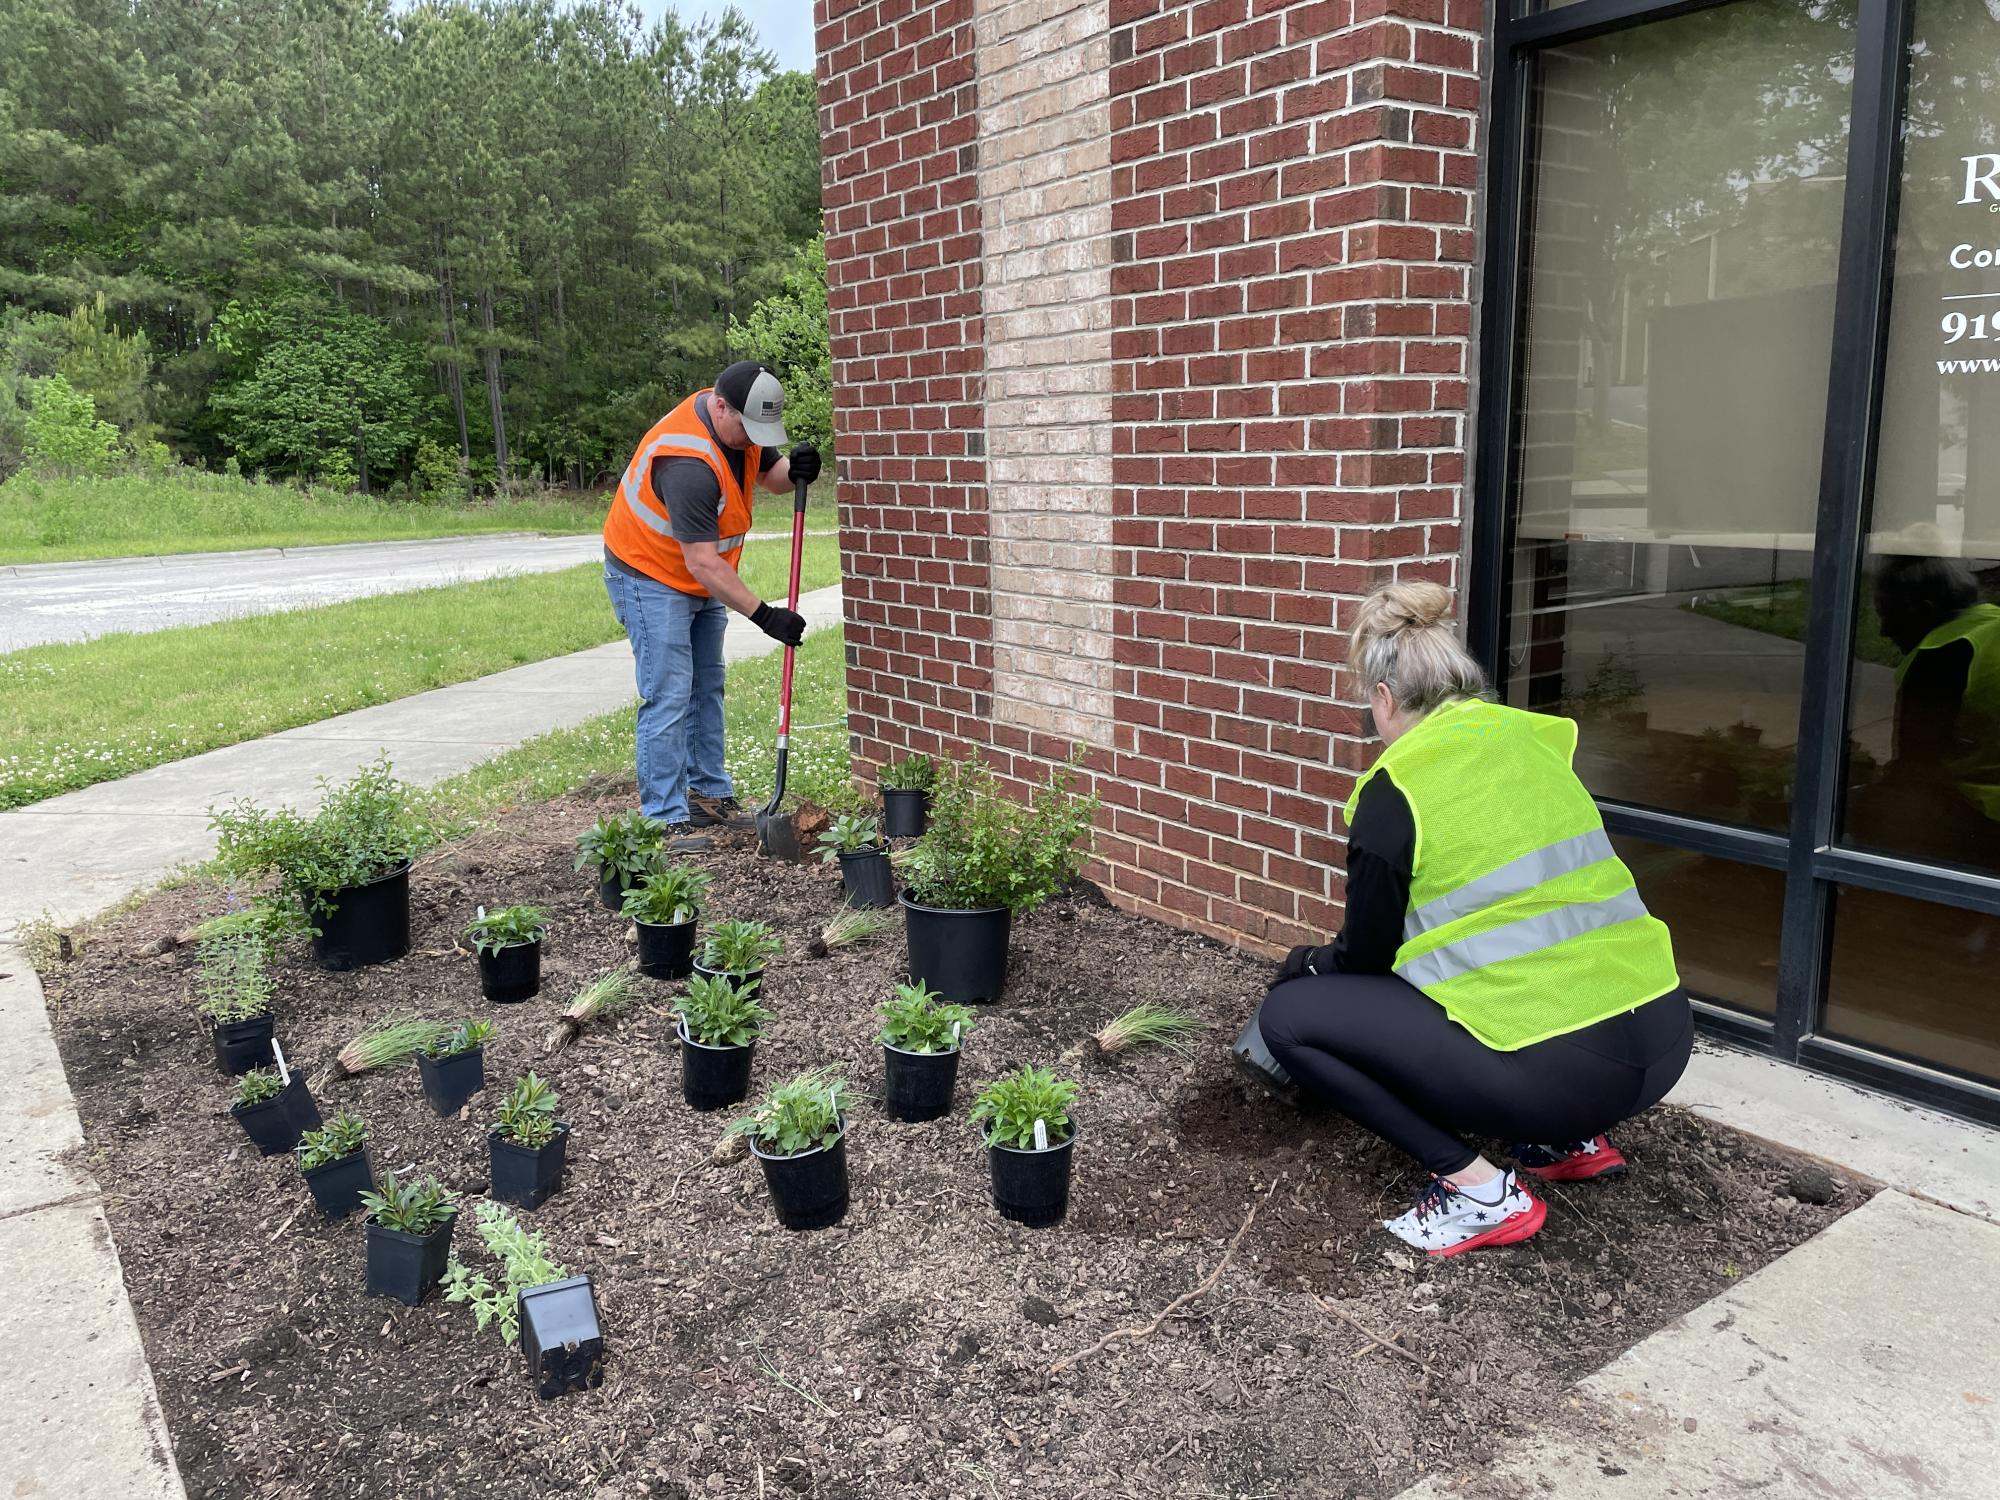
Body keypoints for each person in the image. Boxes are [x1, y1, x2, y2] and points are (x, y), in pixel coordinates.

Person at [1253, 581, 1692, 1258]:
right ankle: (1568, 1144)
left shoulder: (1398, 789)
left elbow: (1367, 959)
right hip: (1663, 1042)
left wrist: (1305, 965)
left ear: (1384, 698)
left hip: (1567, 1078)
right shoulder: (1531, 743)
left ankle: (1480, 1194)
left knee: (1289, 1018)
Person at [601, 361, 822, 852]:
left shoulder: (737, 424)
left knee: (708, 684)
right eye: (749, 429)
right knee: (669, 692)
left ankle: (707, 794)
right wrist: (767, 615)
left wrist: (798, 469)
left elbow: (771, 476)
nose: (753, 440)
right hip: (649, 575)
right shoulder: (687, 464)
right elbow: (703, 562)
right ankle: (662, 816)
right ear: (722, 406)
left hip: (696, 577)